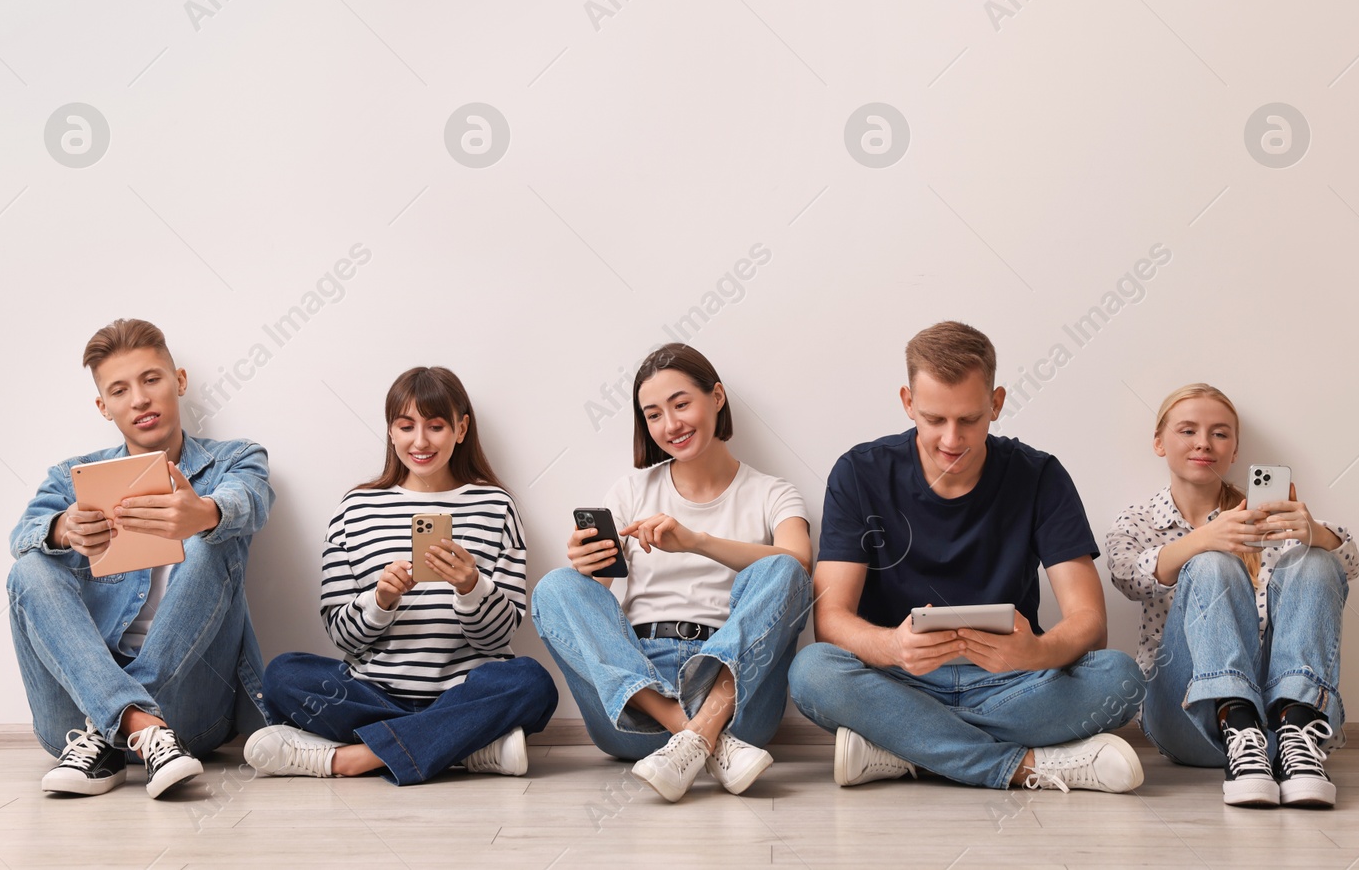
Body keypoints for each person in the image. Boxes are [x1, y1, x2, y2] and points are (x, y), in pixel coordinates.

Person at [788, 321, 1146, 793]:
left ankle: (903, 748)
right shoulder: (860, 472)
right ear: (907, 402)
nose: (952, 440)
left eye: (969, 419)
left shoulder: (1039, 476)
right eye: (935, 419)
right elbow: (831, 619)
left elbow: (1089, 621)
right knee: (813, 671)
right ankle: (1028, 767)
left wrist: (1036, 651)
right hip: (899, 682)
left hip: (1011, 682)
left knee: (1121, 677)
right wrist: (893, 647)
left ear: (995, 404)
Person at [243, 366, 557, 784]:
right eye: (406, 426)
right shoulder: (355, 510)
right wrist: (380, 600)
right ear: (391, 432)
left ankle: (351, 759)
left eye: (436, 426)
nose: (420, 441)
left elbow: (497, 639)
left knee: (532, 682)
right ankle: (465, 747)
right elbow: (342, 636)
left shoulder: (497, 506)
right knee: (283, 675)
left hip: (465, 690)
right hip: (373, 693)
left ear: (461, 429)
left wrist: (471, 586)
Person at [531, 343, 813, 802]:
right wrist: (587, 567)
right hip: (636, 700)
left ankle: (698, 734)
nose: (671, 425)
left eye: (681, 404)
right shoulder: (631, 489)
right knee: (556, 587)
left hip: (733, 692)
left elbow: (798, 565)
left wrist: (696, 541)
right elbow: (594, 601)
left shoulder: (772, 493)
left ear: (716, 397)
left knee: (783, 568)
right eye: (654, 414)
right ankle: (700, 738)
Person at [7, 318, 273, 798]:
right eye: (120, 390)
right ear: (103, 406)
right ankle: (131, 721)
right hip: (75, 714)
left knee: (216, 539)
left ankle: (123, 723)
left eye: (152, 379)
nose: (140, 400)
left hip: (189, 709)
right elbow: (22, 535)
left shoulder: (235, 458)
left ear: (180, 381)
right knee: (29, 565)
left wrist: (205, 512)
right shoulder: (71, 477)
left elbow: (251, 500)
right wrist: (63, 530)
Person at [1105, 383, 1359, 808]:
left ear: (1235, 450)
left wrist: (1315, 533)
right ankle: (1235, 719)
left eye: (1220, 434)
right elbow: (1126, 576)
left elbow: (1346, 564)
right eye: (1188, 431)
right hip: (1188, 721)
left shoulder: (1265, 516)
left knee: (1316, 560)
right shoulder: (1139, 520)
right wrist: (1205, 539)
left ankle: (1298, 726)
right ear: (1159, 442)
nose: (1204, 443)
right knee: (1213, 562)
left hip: (1280, 734)